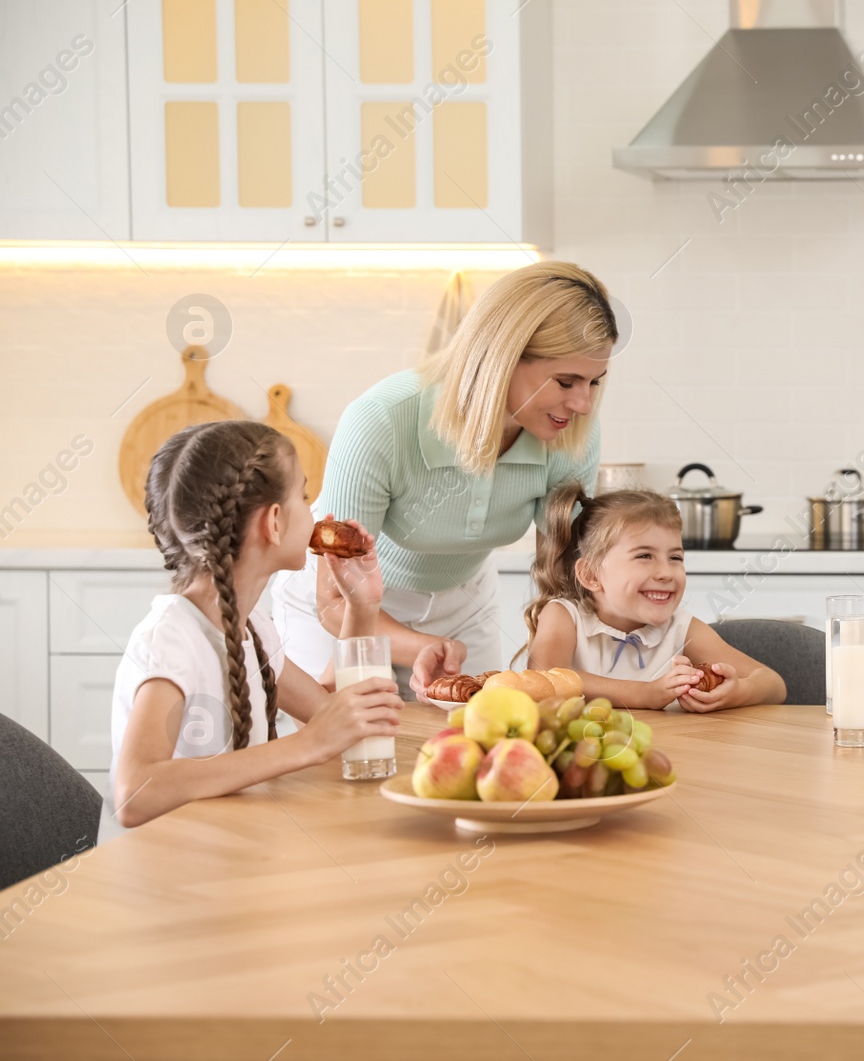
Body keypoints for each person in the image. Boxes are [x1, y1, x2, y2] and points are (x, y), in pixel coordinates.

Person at [273, 261, 615, 699]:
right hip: (341, 605)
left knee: (479, 735)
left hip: (463, 602)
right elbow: (336, 601)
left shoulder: (570, 433)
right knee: (343, 749)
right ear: (502, 358)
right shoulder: (383, 419)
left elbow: (565, 579)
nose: (583, 403)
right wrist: (423, 646)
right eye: (566, 381)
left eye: (593, 382)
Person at [111, 422, 405, 828]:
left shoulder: (254, 628)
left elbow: (330, 717)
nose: (317, 512)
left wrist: (362, 606)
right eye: (304, 496)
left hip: (233, 853)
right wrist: (304, 746)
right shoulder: (172, 638)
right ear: (275, 522)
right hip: (170, 874)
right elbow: (134, 793)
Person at [524, 482, 785, 710]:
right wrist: (644, 693)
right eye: (644, 556)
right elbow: (546, 679)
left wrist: (737, 692)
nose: (665, 573)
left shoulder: (681, 628)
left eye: (675, 557)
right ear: (591, 574)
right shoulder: (564, 616)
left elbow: (773, 683)